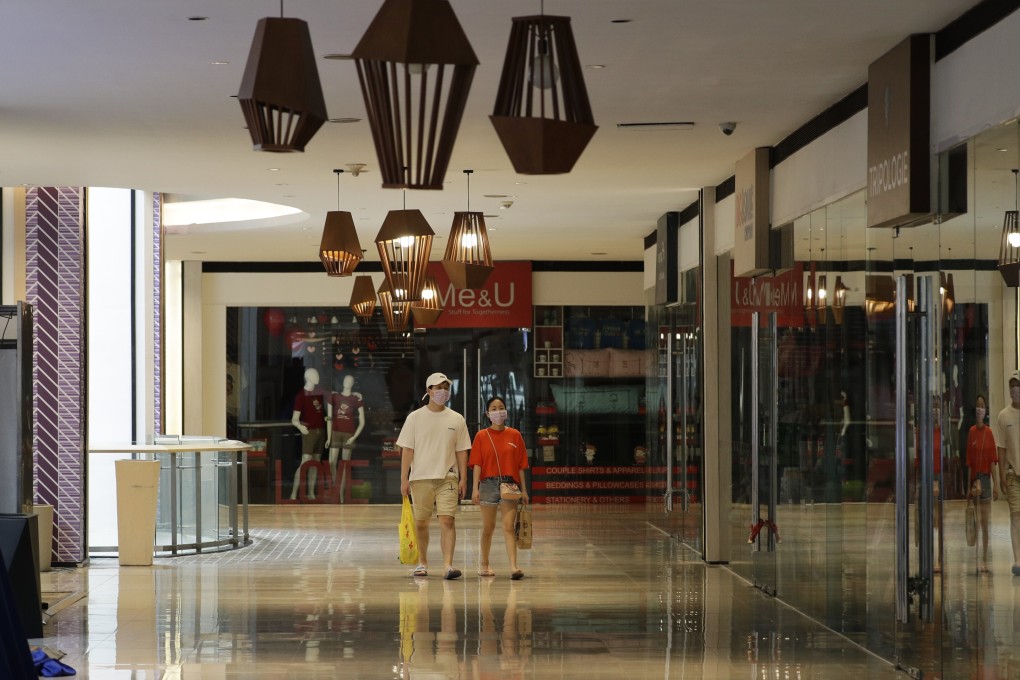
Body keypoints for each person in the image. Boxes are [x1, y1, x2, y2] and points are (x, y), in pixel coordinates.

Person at [398, 372, 471, 580]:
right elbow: (407, 450)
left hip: (448, 477)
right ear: (428, 391)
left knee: (447, 520)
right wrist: (404, 479)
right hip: (420, 478)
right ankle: (422, 562)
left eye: (445, 388)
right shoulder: (415, 418)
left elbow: (462, 450)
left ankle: (448, 565)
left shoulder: (457, 419)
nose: (442, 392)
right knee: (421, 522)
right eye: (438, 388)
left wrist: (463, 478)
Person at [470, 396, 529, 580]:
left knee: (509, 527)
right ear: (488, 414)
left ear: (506, 412)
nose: (498, 411)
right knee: (488, 527)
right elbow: (477, 464)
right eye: (493, 408)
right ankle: (485, 564)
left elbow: (521, 465)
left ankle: (514, 566)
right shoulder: (481, 435)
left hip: (510, 485)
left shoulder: (515, 435)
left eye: (501, 407)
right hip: (487, 484)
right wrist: (475, 488)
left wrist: (524, 490)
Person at [966, 394, 999, 573]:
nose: (980, 409)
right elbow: (969, 461)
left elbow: (993, 460)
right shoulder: (971, 432)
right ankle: (977, 557)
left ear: (986, 411)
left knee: (985, 522)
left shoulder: (990, 432)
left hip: (985, 479)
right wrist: (968, 486)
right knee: (976, 521)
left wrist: (995, 485)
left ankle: (985, 559)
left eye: (982, 406)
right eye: (977, 405)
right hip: (975, 479)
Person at [995, 370, 1020, 576]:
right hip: (1013, 474)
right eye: (1012, 385)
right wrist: (1002, 475)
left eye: (1018, 385)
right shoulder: (1003, 416)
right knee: (1015, 516)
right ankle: (1018, 559)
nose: (1015, 389)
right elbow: (1001, 448)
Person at [327, 374, 365, 503]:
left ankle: (341, 494)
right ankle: (335, 487)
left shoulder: (356, 398)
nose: (348, 382)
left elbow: (362, 422)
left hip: (349, 434)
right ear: (342, 381)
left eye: (350, 381)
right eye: (346, 380)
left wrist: (354, 437)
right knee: (332, 462)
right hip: (336, 432)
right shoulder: (334, 396)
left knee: (344, 465)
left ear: (353, 383)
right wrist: (329, 436)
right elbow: (329, 417)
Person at [290, 367, 326, 501]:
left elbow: (334, 394)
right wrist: (300, 427)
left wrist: (356, 394)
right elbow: (294, 419)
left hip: (321, 431)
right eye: (316, 375)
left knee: (316, 462)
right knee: (305, 461)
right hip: (309, 432)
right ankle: (294, 493)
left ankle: (311, 492)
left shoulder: (319, 392)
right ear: (309, 377)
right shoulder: (301, 396)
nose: (318, 377)